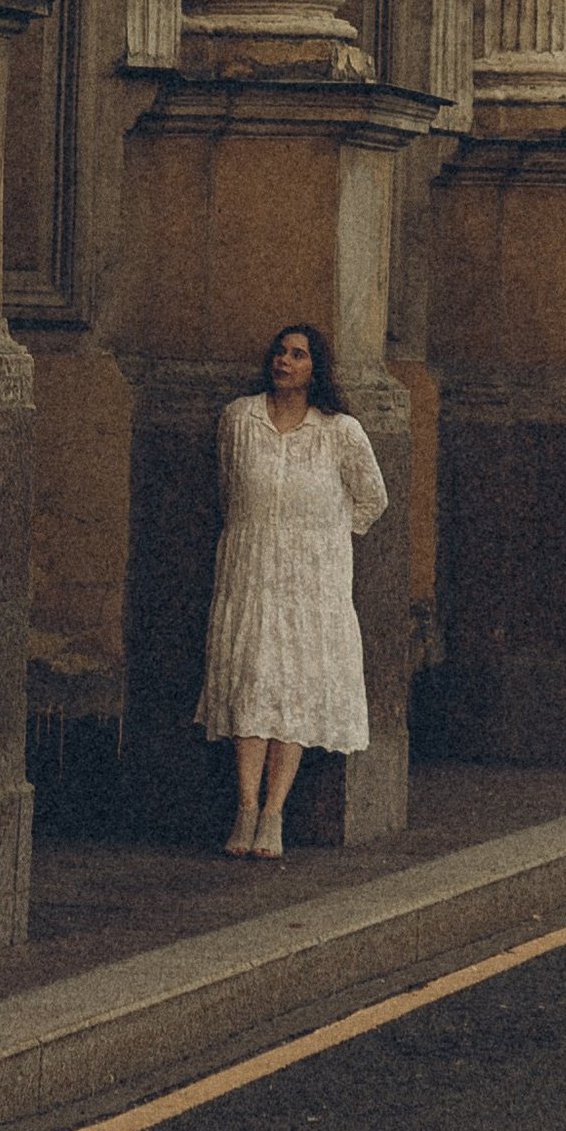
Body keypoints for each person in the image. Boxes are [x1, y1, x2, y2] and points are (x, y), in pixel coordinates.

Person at [196, 320, 387, 860]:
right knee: (251, 681)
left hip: (310, 585)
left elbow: (372, 499)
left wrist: (323, 539)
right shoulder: (240, 418)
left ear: (315, 368)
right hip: (250, 575)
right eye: (280, 352)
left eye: (298, 354)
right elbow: (229, 491)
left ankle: (274, 813)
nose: (284, 361)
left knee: (295, 689)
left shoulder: (340, 431)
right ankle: (245, 807)